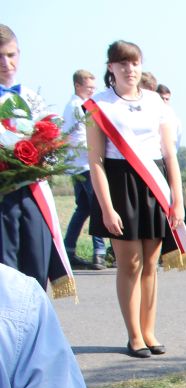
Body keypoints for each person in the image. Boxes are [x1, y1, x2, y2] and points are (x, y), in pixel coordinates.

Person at [86, 40, 183, 358]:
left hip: (153, 185)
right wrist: (106, 207)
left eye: (135, 63)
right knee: (130, 263)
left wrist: (177, 199)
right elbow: (96, 161)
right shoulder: (98, 105)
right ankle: (134, 335)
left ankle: (150, 330)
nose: (130, 69)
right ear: (111, 68)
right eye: (123, 63)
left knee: (151, 263)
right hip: (119, 184)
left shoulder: (156, 101)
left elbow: (169, 154)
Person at [0, 26, 68, 290]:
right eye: (0, 56)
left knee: (36, 266)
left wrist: (46, 154)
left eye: (11, 55)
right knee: (5, 271)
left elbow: (51, 142)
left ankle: (35, 316)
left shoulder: (32, 97)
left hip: (33, 193)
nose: (6, 63)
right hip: (3, 195)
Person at [62, 69, 106, 271]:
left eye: (93, 88)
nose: (91, 91)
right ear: (77, 86)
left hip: (77, 165)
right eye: (88, 87)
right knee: (97, 207)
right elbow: (81, 136)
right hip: (86, 164)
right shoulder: (78, 106)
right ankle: (99, 252)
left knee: (83, 209)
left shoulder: (72, 105)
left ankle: (68, 249)